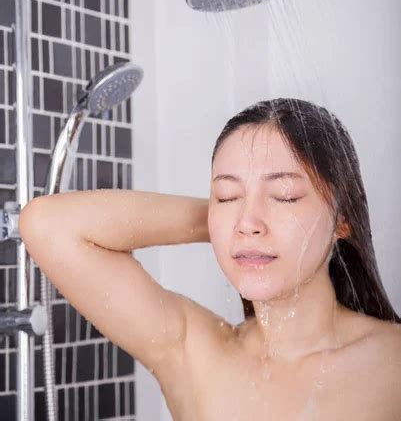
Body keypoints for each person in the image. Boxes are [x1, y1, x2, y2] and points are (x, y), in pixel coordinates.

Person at [20, 98, 401, 420]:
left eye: (284, 195)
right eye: (226, 195)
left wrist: (232, 215)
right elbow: (47, 224)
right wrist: (223, 228)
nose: (248, 222)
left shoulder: (392, 365)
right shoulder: (192, 354)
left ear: (343, 218)